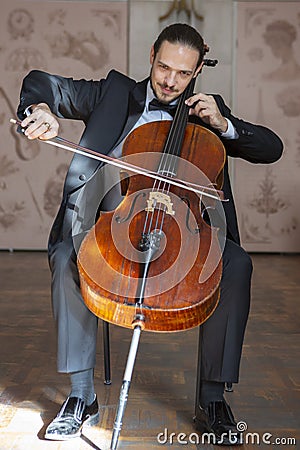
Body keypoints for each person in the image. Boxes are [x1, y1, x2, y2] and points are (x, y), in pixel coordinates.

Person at [17, 23, 283, 445]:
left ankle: (212, 398)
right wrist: (41, 111)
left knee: (236, 265)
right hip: (115, 228)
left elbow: (272, 148)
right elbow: (40, 83)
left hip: (186, 235)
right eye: (164, 67)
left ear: (197, 70)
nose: (170, 81)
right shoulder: (113, 93)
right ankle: (82, 397)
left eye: (182, 73)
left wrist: (226, 125)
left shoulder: (205, 113)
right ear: (152, 55)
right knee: (69, 256)